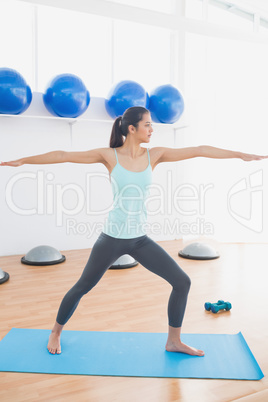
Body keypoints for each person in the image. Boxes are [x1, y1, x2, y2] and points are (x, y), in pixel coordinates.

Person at [1, 106, 267, 357]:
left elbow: (198, 149)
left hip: (139, 240)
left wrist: (238, 154)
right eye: (147, 125)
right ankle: (55, 332)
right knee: (83, 286)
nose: (152, 130)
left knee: (182, 282)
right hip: (112, 239)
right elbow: (63, 156)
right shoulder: (109, 156)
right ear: (131, 128)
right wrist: (22, 161)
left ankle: (173, 341)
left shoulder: (155, 155)